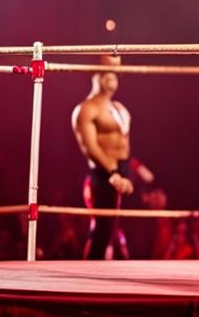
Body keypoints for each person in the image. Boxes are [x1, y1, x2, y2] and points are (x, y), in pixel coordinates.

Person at [71, 54, 154, 259]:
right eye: (107, 71)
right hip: (104, 172)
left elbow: (124, 144)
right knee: (103, 227)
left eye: (115, 72)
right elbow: (90, 147)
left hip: (124, 169)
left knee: (127, 225)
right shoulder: (86, 109)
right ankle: (91, 270)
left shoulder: (119, 109)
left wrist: (131, 169)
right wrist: (113, 172)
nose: (113, 76)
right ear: (95, 73)